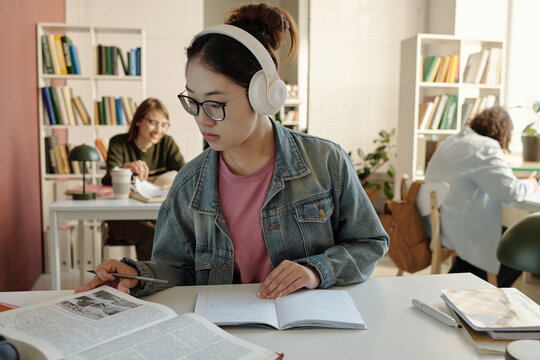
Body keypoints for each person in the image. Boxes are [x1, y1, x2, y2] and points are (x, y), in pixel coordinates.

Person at [77, 3, 388, 299]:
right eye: (193, 102)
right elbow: (176, 269)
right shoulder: (189, 184)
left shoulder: (326, 162)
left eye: (215, 104)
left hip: (310, 329)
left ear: (263, 95)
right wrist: (136, 272)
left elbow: (369, 243)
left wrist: (317, 270)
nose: (201, 118)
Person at [425, 106, 538, 287]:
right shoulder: (485, 147)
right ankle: (476, 290)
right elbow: (510, 191)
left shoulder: (452, 140)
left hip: (440, 226)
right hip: (464, 230)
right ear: (502, 133)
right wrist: (531, 184)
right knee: (518, 242)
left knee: (502, 238)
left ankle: (455, 283)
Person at [102, 98, 185, 261]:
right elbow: (107, 178)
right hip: (122, 218)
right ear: (138, 121)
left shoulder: (167, 143)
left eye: (164, 125)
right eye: (154, 123)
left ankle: (169, 280)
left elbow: (184, 173)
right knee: (152, 235)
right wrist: (125, 168)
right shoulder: (119, 142)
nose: (158, 130)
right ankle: (146, 282)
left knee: (178, 233)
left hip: (157, 214)